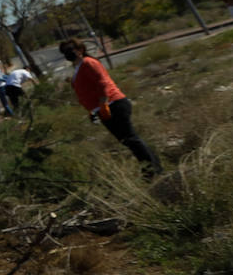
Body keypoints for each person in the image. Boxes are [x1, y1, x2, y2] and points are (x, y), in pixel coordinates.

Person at [58, 38, 162, 175]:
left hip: (113, 104)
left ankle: (151, 171)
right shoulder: (78, 67)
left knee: (130, 139)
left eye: (70, 49)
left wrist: (103, 104)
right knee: (128, 140)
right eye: (65, 51)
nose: (68, 53)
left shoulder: (88, 63)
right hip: (103, 108)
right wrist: (93, 110)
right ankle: (154, 167)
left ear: (80, 50)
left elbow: (103, 83)